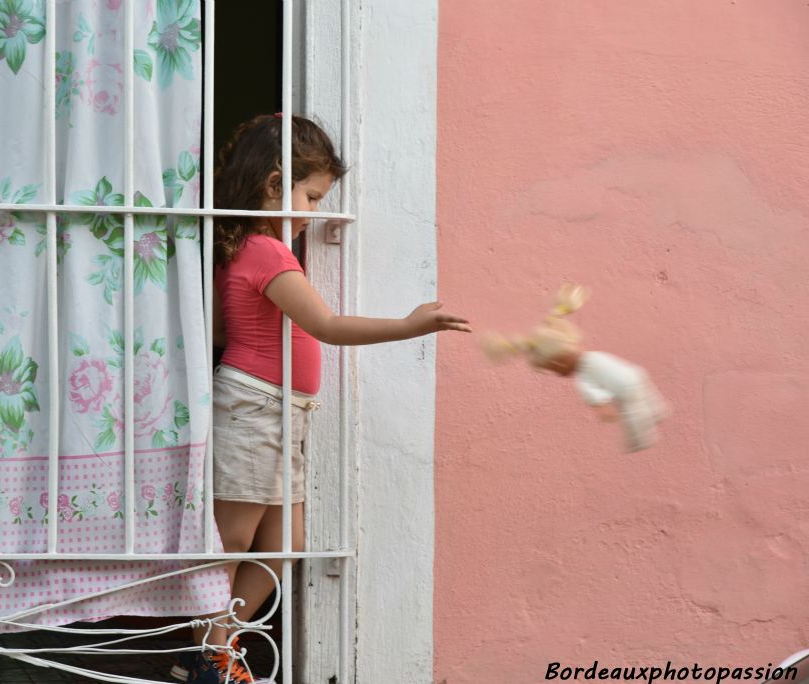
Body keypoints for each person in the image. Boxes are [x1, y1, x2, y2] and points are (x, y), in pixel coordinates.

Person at [170, 114, 472, 684]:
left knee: (284, 547)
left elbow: (215, 327)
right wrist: (409, 326)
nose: (313, 213)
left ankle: (213, 646)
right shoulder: (266, 252)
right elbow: (326, 325)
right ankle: (209, 655)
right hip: (256, 407)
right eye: (311, 197)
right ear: (274, 184)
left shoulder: (252, 251)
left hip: (283, 413)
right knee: (233, 537)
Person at [480, 283, 668, 453]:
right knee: (643, 394)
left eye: (554, 370)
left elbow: (596, 398)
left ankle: (641, 438)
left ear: (559, 362)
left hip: (625, 390)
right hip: (635, 374)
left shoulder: (583, 377)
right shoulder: (595, 356)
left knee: (633, 415)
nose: (558, 375)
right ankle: (658, 411)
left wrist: (604, 411)